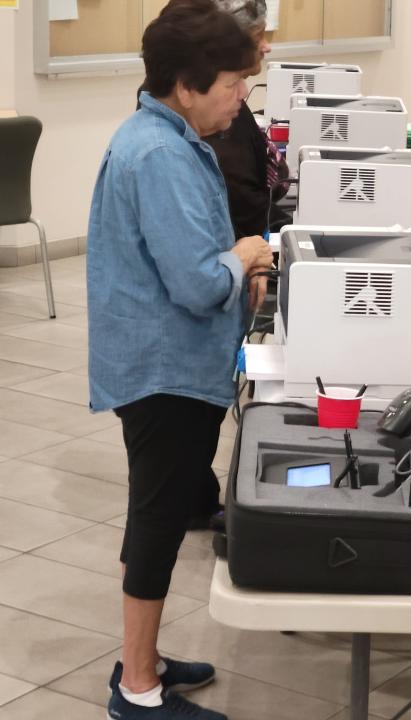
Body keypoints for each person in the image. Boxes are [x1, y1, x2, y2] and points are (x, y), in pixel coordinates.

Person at [87, 3, 273, 718]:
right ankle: (138, 686)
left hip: (163, 359)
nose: (241, 97)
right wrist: (246, 256)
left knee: (156, 509)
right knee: (161, 517)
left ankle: (148, 659)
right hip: (165, 367)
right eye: (232, 83)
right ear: (187, 85)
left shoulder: (164, 132)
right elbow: (196, 282)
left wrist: (234, 264)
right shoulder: (162, 152)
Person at [204, 0, 291, 239]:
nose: (266, 47)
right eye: (257, 37)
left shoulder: (223, 98)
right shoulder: (211, 114)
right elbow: (246, 209)